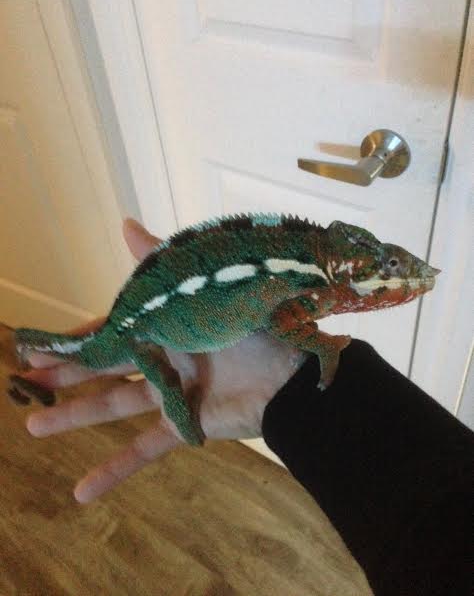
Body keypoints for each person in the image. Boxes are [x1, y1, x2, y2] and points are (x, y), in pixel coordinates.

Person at [20, 219, 473, 596]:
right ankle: (33, 349)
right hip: (141, 329)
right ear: (349, 268)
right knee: (132, 369)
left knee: (77, 349)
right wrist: (323, 348)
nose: (395, 280)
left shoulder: (319, 274)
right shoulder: (320, 285)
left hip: (157, 314)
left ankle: (27, 349)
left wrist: (313, 380)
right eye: (388, 267)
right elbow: (282, 320)